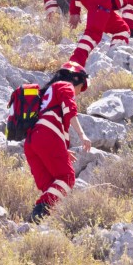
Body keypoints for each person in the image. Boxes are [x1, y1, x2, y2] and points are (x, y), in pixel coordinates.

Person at [24, 68, 92, 222]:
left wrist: (62, 149)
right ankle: (36, 215)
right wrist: (82, 135)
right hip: (47, 136)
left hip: (31, 141)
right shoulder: (64, 86)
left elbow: (48, 118)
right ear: (76, 80)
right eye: (80, 88)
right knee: (67, 178)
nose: (79, 93)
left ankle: (38, 222)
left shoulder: (46, 93)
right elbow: (70, 110)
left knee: (52, 186)